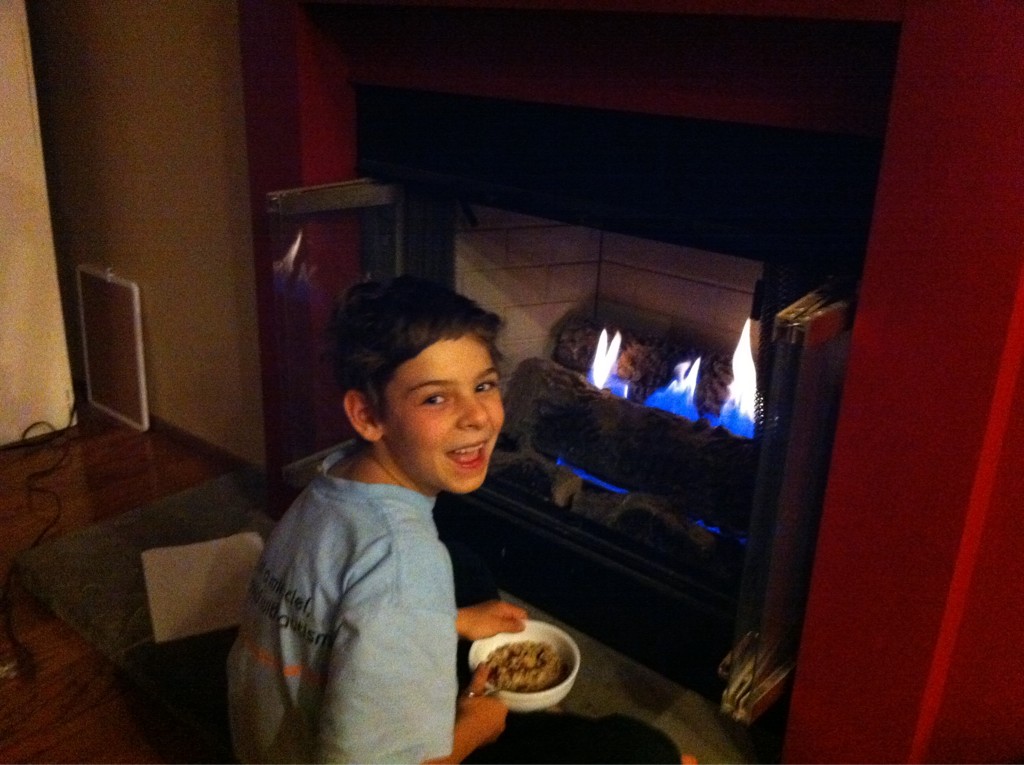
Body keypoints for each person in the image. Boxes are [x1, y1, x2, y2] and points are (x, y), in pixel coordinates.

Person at [226, 275, 681, 764]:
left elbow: (346, 608)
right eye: (435, 398)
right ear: (366, 414)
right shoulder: (404, 563)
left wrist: (452, 621)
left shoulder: (332, 482)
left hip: (265, 743)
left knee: (464, 569)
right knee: (645, 752)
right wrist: (474, 728)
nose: (478, 417)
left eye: (484, 385)